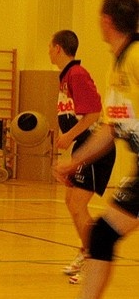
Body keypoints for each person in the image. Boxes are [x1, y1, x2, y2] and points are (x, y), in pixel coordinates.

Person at [54, 0, 139, 299]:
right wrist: (73, 162)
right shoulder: (118, 66)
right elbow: (110, 129)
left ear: (106, 21)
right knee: (103, 234)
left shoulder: (136, 57)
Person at [49, 29, 116, 284]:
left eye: (50, 46)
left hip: (96, 147)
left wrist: (69, 136)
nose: (48, 51)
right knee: (71, 201)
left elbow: (94, 114)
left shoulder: (77, 74)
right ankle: (86, 251)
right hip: (83, 145)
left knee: (77, 204)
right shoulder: (65, 77)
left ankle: (94, 259)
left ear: (58, 48)